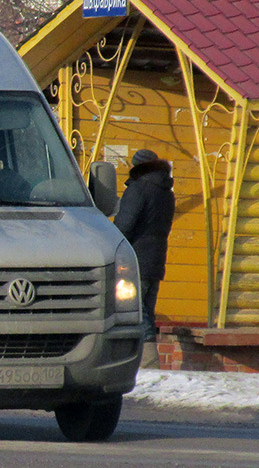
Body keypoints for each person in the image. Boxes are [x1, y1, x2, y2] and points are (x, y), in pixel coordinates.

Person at [113, 148, 175, 369]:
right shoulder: (166, 192)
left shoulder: (139, 189)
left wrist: (110, 244)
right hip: (157, 259)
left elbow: (124, 225)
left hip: (135, 260)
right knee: (146, 310)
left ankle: (148, 362)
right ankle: (145, 361)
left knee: (135, 310)